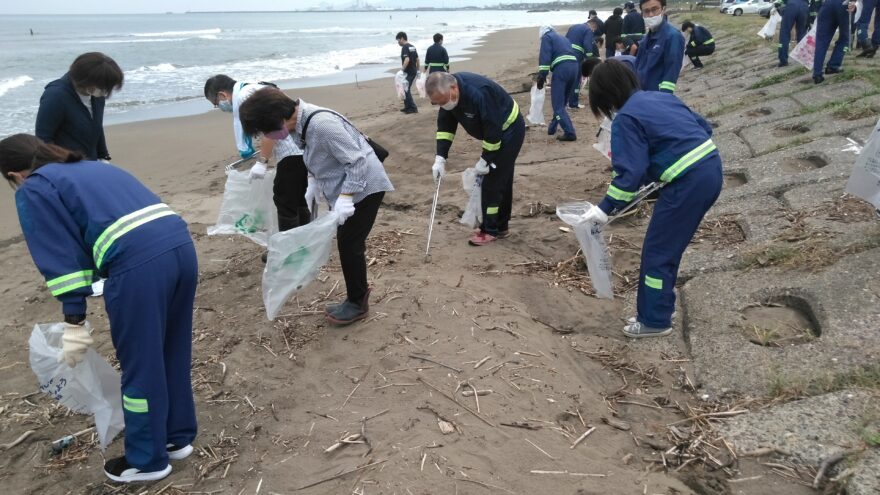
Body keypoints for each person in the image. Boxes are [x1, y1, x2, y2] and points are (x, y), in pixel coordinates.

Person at [1, 134, 198, 482]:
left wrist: (74, 319)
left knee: (141, 366)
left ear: (14, 173)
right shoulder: (89, 166)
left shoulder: (34, 187)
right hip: (181, 247)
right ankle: (177, 437)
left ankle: (147, 461)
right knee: (172, 351)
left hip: (140, 267)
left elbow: (59, 258)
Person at [584, 60, 721, 338]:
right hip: (712, 168)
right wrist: (664, 166)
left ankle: (655, 321)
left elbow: (629, 175)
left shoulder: (626, 119)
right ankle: (659, 308)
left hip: (688, 184)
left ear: (606, 95)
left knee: (658, 252)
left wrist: (603, 210)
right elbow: (704, 128)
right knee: (667, 248)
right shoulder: (659, 97)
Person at [237, 88, 394, 325]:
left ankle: (358, 302)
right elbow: (313, 155)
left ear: (278, 119)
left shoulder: (321, 125)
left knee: (349, 244)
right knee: (348, 241)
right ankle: (356, 297)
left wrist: (346, 197)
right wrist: (312, 182)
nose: (268, 136)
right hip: (345, 186)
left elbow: (357, 161)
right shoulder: (299, 123)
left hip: (366, 187)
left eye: (265, 130)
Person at [426, 72, 525, 246]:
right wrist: (440, 158)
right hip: (494, 131)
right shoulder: (448, 98)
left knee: (492, 179)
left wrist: (485, 159)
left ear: (454, 88)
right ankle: (501, 227)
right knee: (502, 177)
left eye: (444, 101)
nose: (443, 105)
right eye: (438, 103)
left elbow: (492, 129)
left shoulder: (478, 93)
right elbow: (445, 129)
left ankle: (489, 230)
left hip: (509, 130)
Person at [204, 75, 312, 234]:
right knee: (298, 198)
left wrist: (262, 161)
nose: (219, 107)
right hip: (302, 147)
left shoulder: (245, 96)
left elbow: (271, 129)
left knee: (285, 201)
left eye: (216, 104)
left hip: (291, 151)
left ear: (222, 95)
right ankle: (303, 240)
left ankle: (288, 249)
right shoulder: (257, 87)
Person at [35, 52, 123, 161]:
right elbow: (43, 139)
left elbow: (97, 126)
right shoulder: (55, 96)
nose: (105, 92)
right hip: (66, 165)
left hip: (91, 161)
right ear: (85, 81)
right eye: (103, 87)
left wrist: (103, 156)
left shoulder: (97, 94)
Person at [537, 25, 579, 141]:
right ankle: (552, 127)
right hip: (574, 67)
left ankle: (570, 132)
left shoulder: (547, 37)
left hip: (562, 69)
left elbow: (544, 58)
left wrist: (542, 75)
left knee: (557, 105)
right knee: (563, 101)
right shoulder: (562, 38)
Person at [634, 0, 685, 93]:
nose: (650, 14)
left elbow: (672, 69)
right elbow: (638, 66)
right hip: (641, 93)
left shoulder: (672, 36)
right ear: (642, 14)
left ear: (663, 9)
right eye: (646, 11)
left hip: (656, 95)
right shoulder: (646, 39)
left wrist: (663, 97)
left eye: (654, 9)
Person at [812, 0, 858, 83]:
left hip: (827, 5)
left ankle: (817, 74)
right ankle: (833, 65)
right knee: (845, 38)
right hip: (844, 4)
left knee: (821, 41)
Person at [565, 21, 595, 108]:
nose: (593, 31)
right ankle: (573, 103)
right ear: (593, 25)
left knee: (567, 78)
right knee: (576, 79)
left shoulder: (573, 26)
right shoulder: (588, 30)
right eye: (594, 29)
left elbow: (566, 38)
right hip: (576, 55)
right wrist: (590, 58)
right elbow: (587, 44)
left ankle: (565, 102)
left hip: (566, 52)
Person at [775, 0, 809, 67]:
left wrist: (780, 7)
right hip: (804, 6)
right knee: (802, 33)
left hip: (790, 5)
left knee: (784, 33)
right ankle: (803, 57)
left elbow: (780, 2)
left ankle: (783, 60)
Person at [396, 31, 419, 114]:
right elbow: (417, 59)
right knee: (404, 88)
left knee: (406, 89)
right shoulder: (412, 47)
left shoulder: (405, 47)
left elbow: (407, 59)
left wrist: (402, 70)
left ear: (402, 38)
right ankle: (407, 107)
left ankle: (413, 108)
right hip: (413, 70)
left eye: (398, 40)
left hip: (408, 72)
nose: (398, 42)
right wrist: (418, 70)